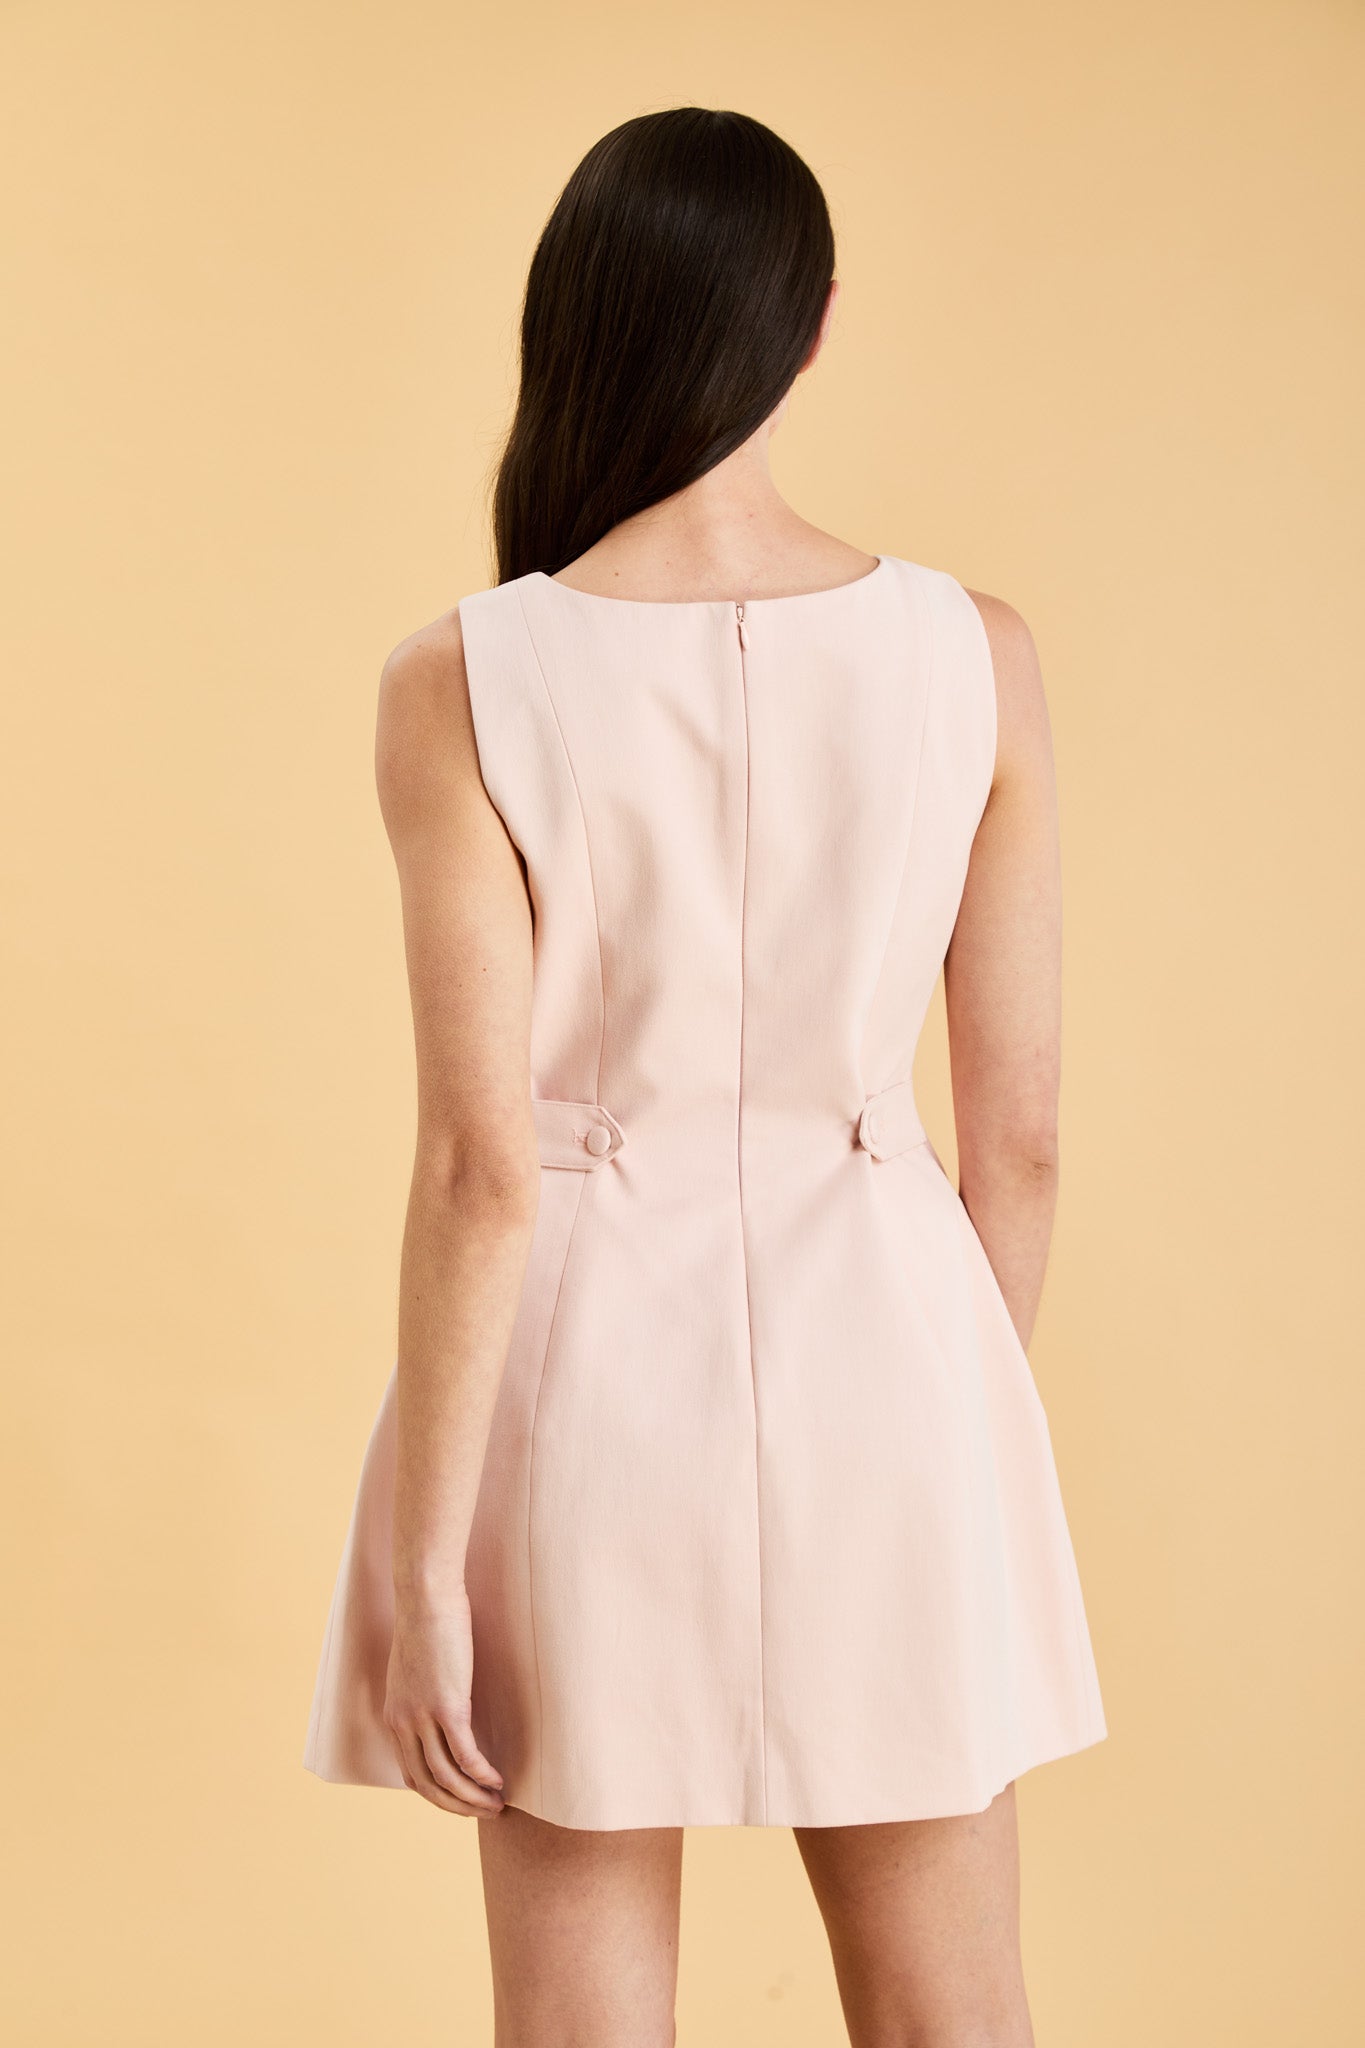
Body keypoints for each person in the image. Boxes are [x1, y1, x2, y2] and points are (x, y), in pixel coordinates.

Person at [303, 105, 1107, 2048]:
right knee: (954, 2018)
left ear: (576, 319)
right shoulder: (970, 653)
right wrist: (950, 1428)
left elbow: (480, 1163)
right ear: (808, 325)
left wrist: (421, 1563)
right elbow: (1012, 1136)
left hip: (582, 1375)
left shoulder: (468, 673)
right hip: (897, 1353)